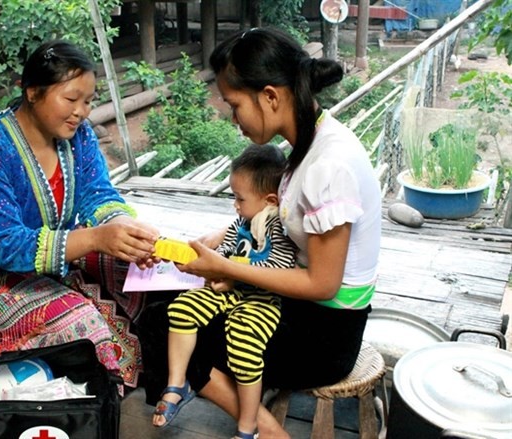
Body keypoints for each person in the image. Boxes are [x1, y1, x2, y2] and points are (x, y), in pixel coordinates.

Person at [138, 26, 381, 439]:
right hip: (306, 310)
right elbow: (284, 222)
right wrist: (221, 242)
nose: (234, 120)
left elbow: (323, 283)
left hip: (324, 336)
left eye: (234, 106)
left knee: (161, 326)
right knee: (162, 298)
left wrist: (231, 270)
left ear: (270, 96)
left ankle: (265, 430)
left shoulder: (328, 165)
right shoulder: (310, 142)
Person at [0, 39, 160, 392]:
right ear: (32, 92)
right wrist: (93, 238)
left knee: (136, 270)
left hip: (55, 261)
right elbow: (4, 246)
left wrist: (122, 227)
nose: (82, 111)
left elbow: (97, 193)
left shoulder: (79, 137)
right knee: (84, 326)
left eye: (89, 101)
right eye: (71, 99)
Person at [152, 144, 297, 438]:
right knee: (181, 308)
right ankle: (177, 383)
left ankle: (248, 427)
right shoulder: (240, 222)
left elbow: (278, 269)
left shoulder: (279, 230)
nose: (235, 205)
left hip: (261, 298)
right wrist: (201, 260)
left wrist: (230, 275)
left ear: (270, 200)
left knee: (244, 348)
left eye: (239, 198)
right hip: (230, 288)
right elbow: (227, 250)